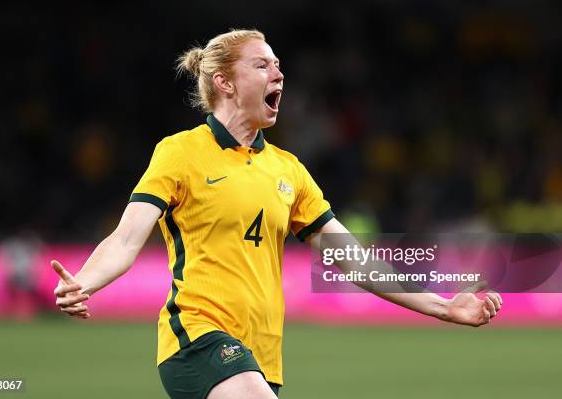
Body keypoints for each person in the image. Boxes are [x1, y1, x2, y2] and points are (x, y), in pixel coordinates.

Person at [52, 29, 503, 399]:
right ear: (225, 82)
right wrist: (84, 282)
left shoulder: (288, 170)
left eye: (279, 65)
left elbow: (354, 259)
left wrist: (444, 306)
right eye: (263, 65)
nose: (279, 74)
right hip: (197, 339)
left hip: (262, 358)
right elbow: (126, 238)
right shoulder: (180, 152)